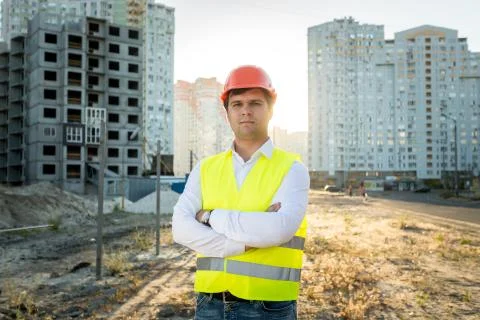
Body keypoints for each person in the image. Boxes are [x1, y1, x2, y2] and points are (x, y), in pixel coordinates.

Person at [172, 65, 310, 320]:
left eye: (255, 103)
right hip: (210, 304)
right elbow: (180, 229)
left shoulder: (292, 169)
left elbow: (279, 229)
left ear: (271, 109)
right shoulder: (205, 168)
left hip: (269, 307)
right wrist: (243, 242)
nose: (245, 110)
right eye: (237, 104)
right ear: (227, 113)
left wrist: (209, 217)